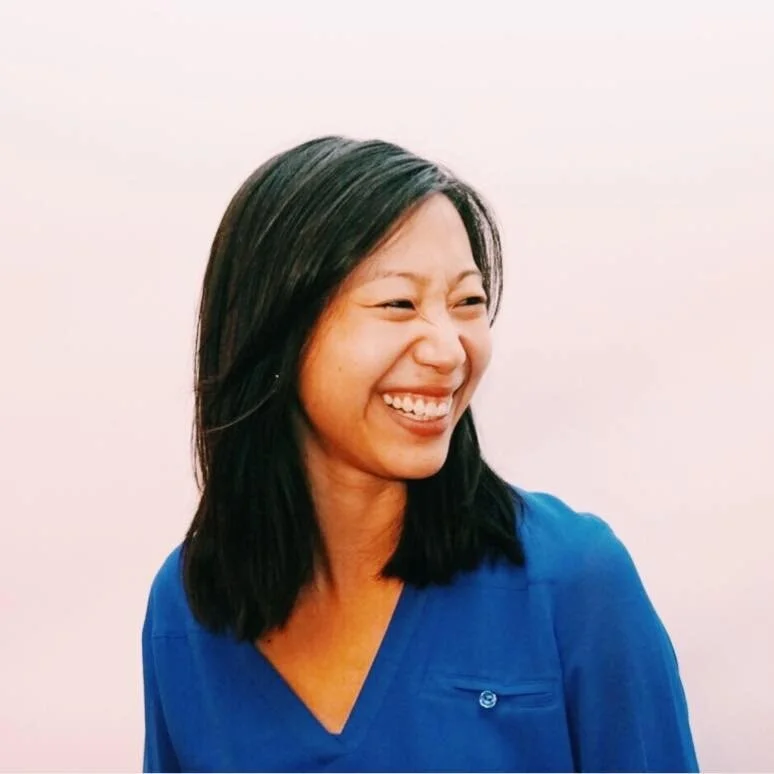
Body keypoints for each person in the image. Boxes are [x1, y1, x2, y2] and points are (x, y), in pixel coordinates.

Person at [141, 136, 699, 773]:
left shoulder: (575, 580)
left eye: (468, 303)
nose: (449, 350)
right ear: (277, 333)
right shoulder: (189, 606)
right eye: (398, 304)